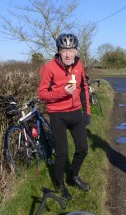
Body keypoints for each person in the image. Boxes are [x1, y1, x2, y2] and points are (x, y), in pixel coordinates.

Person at [38, 33, 91, 201]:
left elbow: (83, 88)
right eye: (64, 50)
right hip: (57, 114)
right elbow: (41, 94)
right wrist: (62, 93)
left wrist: (87, 111)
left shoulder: (79, 65)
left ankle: (73, 176)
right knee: (62, 153)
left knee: (83, 148)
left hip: (76, 112)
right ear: (59, 51)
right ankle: (60, 184)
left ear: (76, 51)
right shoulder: (49, 68)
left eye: (71, 50)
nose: (68, 54)